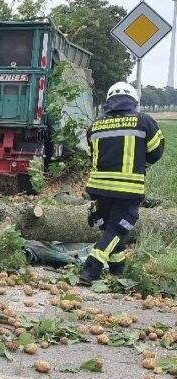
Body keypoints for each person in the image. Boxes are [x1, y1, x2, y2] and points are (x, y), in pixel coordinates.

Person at [78, 82, 164, 286]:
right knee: (118, 228)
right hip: (128, 188)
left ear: (109, 101)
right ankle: (91, 268)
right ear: (133, 101)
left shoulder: (95, 126)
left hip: (99, 187)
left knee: (109, 227)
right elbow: (156, 152)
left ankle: (118, 269)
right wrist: (141, 163)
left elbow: (92, 156)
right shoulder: (143, 121)